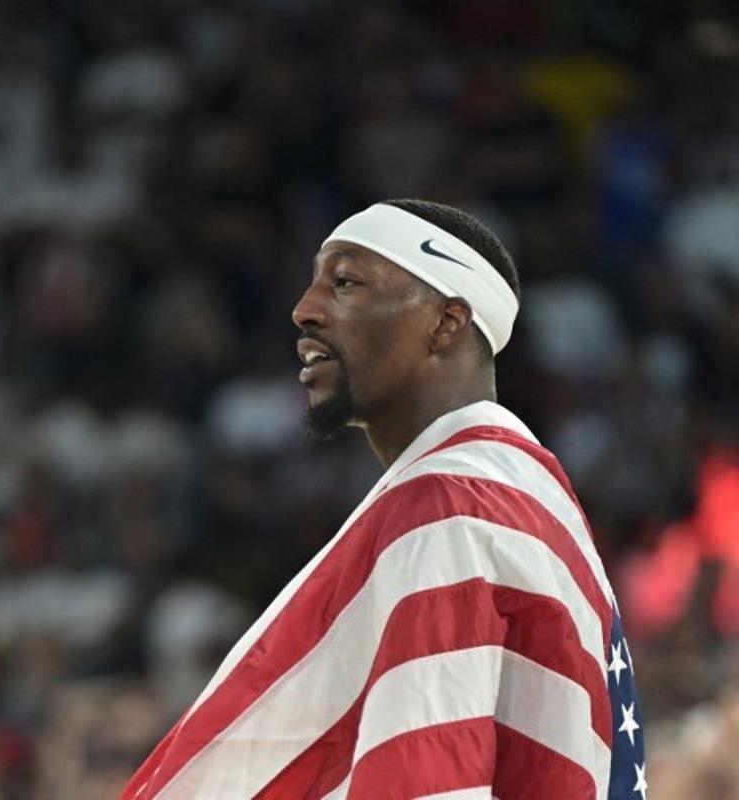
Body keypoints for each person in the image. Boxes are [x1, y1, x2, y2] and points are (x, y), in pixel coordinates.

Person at [123, 200, 646, 799]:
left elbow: (426, 781)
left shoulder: (450, 503)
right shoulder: (521, 488)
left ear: (446, 322)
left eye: (345, 283)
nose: (304, 310)